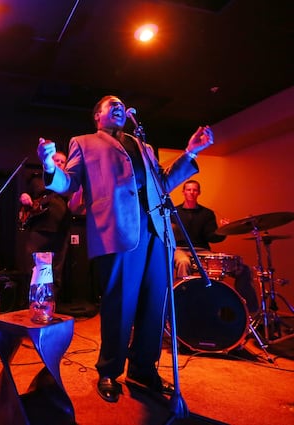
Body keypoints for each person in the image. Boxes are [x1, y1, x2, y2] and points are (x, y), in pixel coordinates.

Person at [37, 95, 214, 403]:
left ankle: (143, 368)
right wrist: (47, 165)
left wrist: (190, 152)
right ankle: (109, 370)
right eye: (110, 103)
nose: (118, 106)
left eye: (121, 103)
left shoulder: (142, 146)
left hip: (157, 232)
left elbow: (164, 182)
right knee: (120, 305)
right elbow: (69, 183)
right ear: (97, 115)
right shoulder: (84, 142)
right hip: (118, 231)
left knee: (154, 304)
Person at [172, 179, 258, 313]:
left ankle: (251, 312)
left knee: (243, 269)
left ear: (199, 193)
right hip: (180, 250)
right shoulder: (174, 212)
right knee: (183, 262)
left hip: (202, 250)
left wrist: (223, 230)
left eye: (195, 190)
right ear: (183, 192)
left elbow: (212, 237)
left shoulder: (207, 213)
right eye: (188, 189)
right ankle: (183, 306)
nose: (191, 192)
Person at [18, 152, 72, 299]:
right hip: (38, 229)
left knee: (56, 270)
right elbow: (25, 195)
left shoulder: (69, 183)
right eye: (56, 160)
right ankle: (32, 303)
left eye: (62, 161)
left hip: (61, 231)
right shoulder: (36, 179)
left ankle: (51, 305)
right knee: (34, 268)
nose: (60, 163)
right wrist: (25, 197)